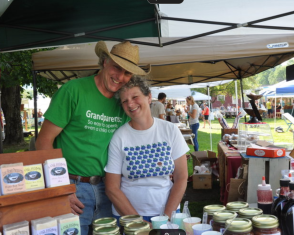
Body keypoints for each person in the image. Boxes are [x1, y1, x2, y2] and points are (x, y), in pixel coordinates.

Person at [35, 40, 149, 235]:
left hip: (110, 189)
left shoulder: (122, 101)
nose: (120, 77)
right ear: (104, 62)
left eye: (127, 73)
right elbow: (43, 142)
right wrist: (62, 189)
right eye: (116, 68)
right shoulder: (73, 90)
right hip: (73, 187)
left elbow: (139, 134)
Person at [105, 76, 188, 221]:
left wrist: (166, 217)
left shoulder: (170, 130)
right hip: (129, 216)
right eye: (125, 101)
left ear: (149, 97)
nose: (130, 104)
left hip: (168, 212)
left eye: (135, 97)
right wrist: (138, 223)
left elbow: (181, 177)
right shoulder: (119, 137)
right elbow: (112, 188)